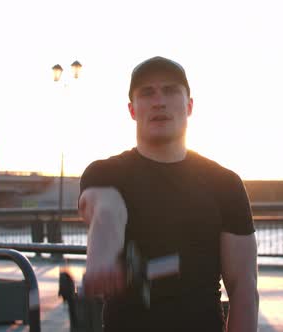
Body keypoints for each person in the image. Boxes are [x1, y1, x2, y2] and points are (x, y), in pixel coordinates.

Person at [79, 56, 259, 332]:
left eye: (170, 90)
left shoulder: (225, 183)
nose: (159, 101)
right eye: (147, 92)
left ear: (189, 106)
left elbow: (243, 286)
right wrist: (103, 255)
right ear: (132, 110)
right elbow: (105, 208)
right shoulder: (106, 173)